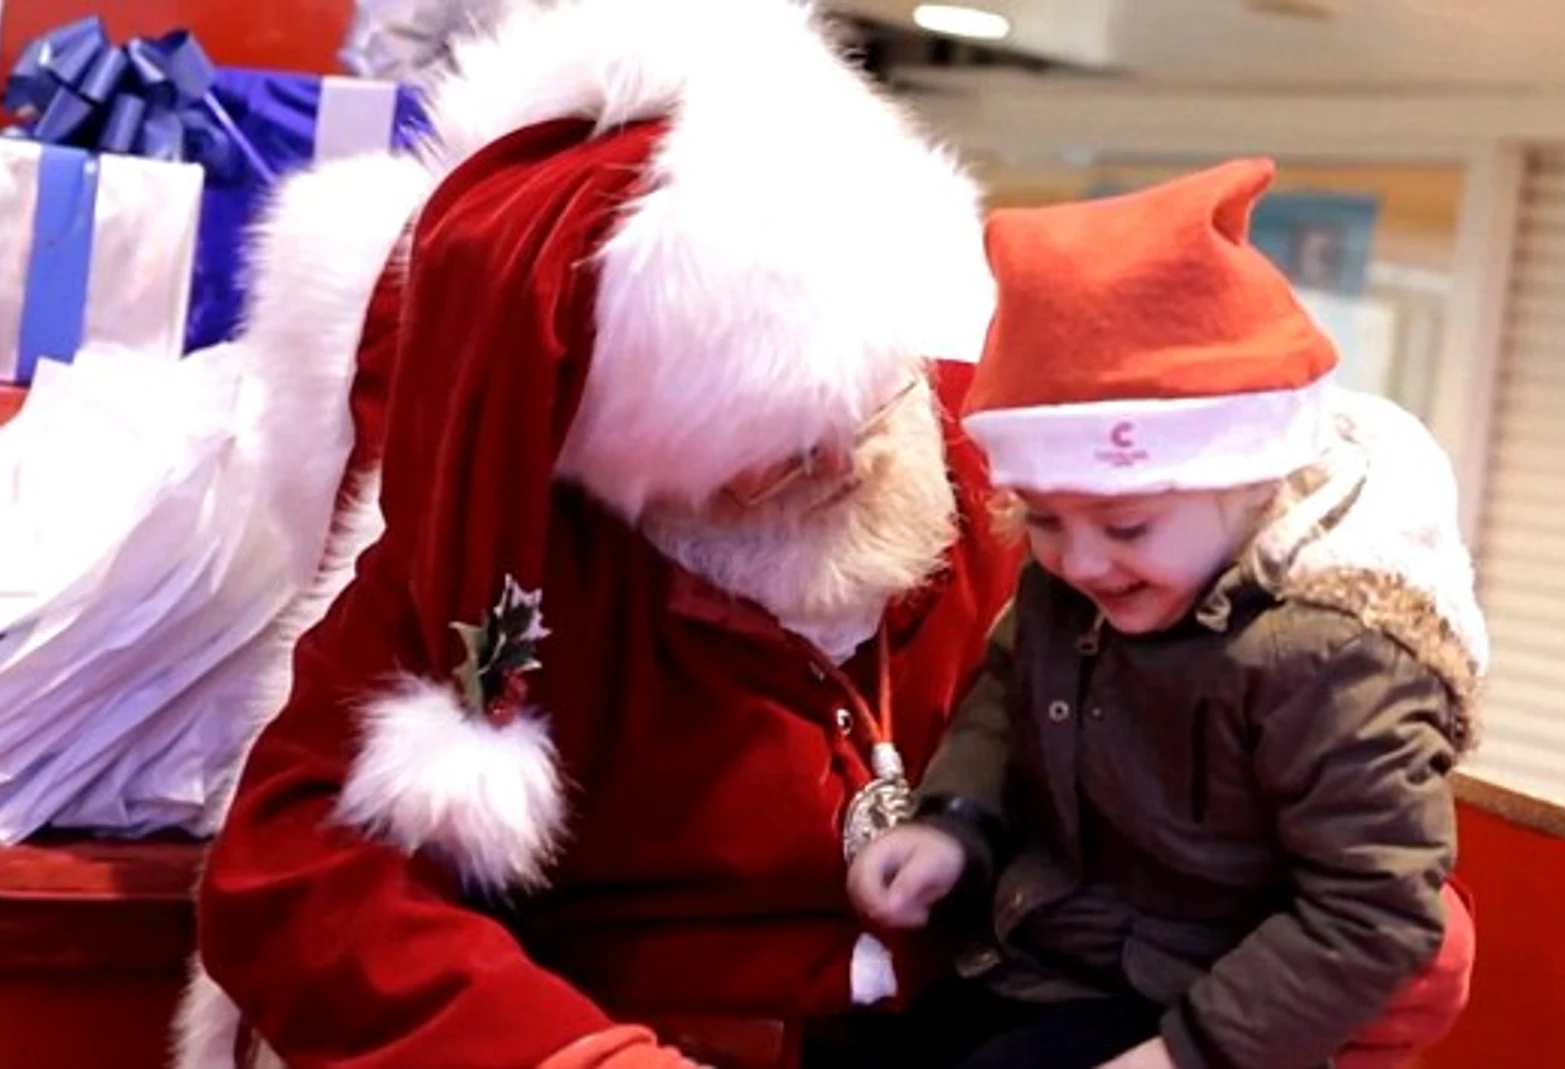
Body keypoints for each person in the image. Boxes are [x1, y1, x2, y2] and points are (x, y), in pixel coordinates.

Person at [172, 1, 1022, 1067]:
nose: (847, 462)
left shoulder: (978, 459)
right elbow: (302, 881)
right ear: (640, 459)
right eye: (777, 450)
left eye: (862, 402)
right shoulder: (505, 553)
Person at [845, 160, 1483, 1069]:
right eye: (1047, 520)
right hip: (1041, 958)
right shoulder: (1074, 581)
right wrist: (955, 824)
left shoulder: (1336, 653)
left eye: (1128, 523)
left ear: (1254, 482)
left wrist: (1189, 1053)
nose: (1082, 560)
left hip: (1208, 1005)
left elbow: (1373, 909)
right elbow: (1006, 697)